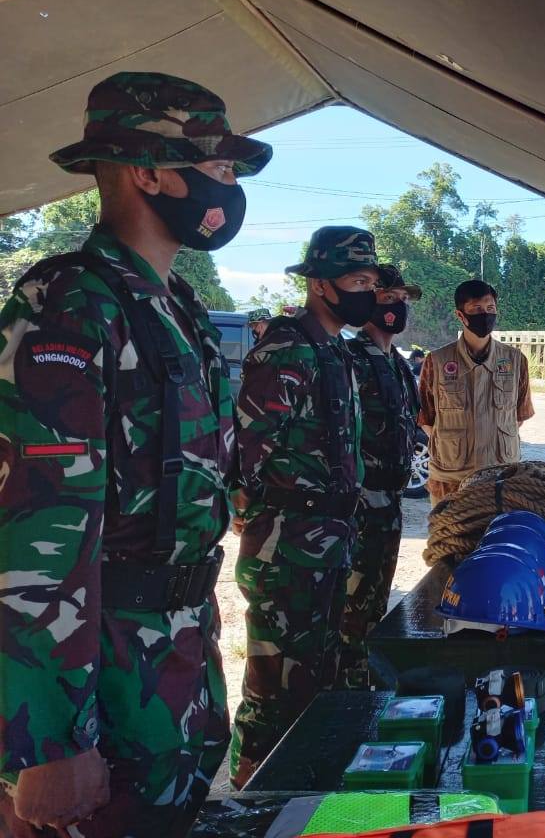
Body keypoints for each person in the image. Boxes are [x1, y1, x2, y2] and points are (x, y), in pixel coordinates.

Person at [0, 72, 271, 835]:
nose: (229, 185)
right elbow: (36, 538)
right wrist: (48, 739)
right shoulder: (68, 304)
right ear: (146, 171)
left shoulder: (175, 305)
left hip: (175, 652)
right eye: (215, 166)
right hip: (99, 672)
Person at [229, 226, 379, 787]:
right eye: (356, 280)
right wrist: (253, 505)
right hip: (287, 544)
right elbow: (246, 442)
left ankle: (297, 795)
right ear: (319, 283)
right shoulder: (289, 345)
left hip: (327, 538)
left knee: (315, 676)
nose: (366, 291)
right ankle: (250, 800)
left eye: (370, 280)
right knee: (273, 683)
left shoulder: (333, 347)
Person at [338, 264, 423, 689]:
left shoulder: (399, 365)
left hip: (389, 506)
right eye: (388, 298)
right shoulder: (351, 360)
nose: (397, 307)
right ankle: (346, 697)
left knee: (373, 608)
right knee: (350, 614)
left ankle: (362, 690)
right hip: (359, 510)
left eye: (402, 300)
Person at [419, 280, 534, 502]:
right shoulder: (436, 361)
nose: (485, 314)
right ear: (461, 315)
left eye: (490, 308)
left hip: (500, 477)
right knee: (448, 536)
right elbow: (426, 419)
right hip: (450, 480)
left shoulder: (515, 360)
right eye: (477, 309)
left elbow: (518, 416)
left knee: (495, 536)